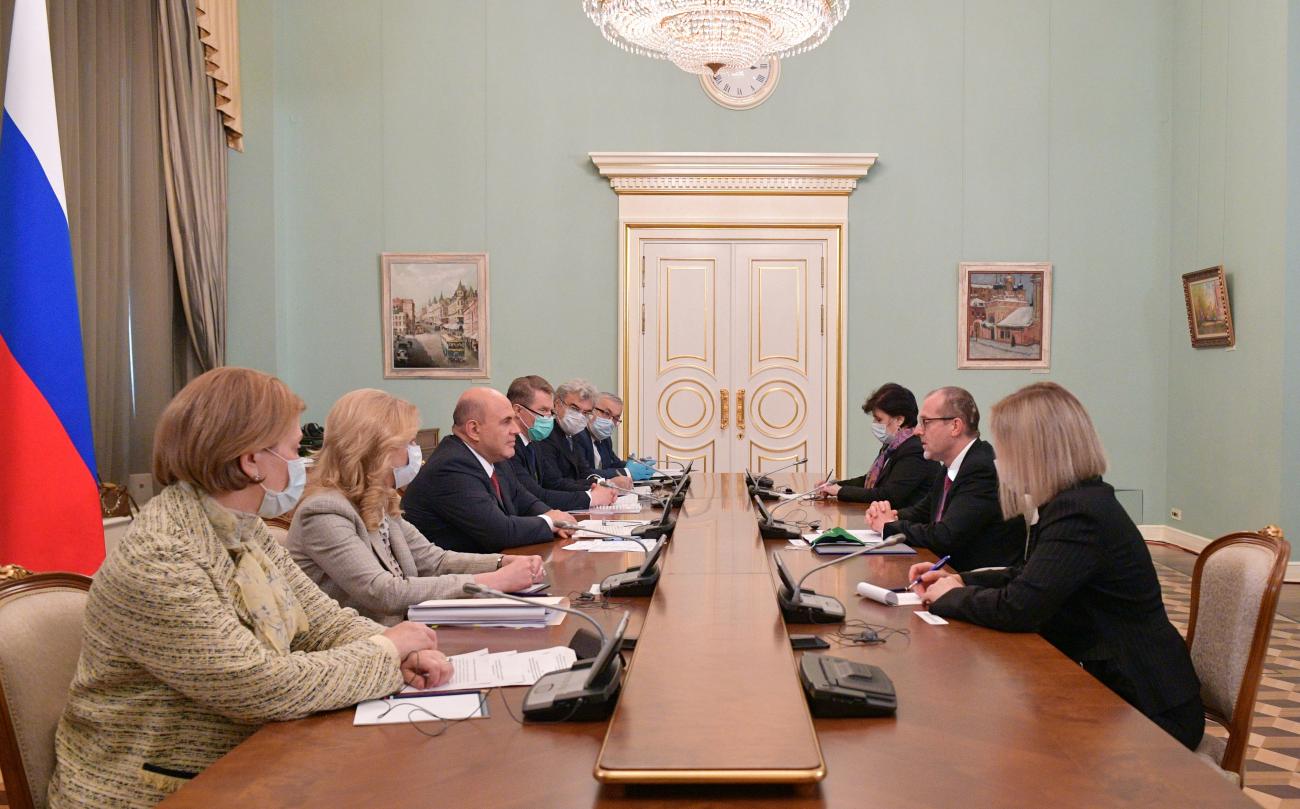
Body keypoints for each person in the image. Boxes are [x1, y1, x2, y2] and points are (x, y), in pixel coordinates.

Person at [47, 368, 453, 809]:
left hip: (254, 761)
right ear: (250, 461)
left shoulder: (243, 528)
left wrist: (403, 650)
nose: (304, 463)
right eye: (296, 449)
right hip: (159, 790)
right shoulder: (162, 555)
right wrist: (386, 653)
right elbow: (261, 687)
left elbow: (322, 622)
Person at [911, 382, 1203, 750]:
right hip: (1111, 687)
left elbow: (1021, 606)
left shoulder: (1079, 512)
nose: (999, 462)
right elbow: (1028, 575)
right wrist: (957, 579)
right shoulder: (1073, 500)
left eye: (1006, 449)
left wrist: (948, 598)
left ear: (1035, 452)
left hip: (1146, 708)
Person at [286, 389, 545, 626]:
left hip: (405, 637)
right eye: (409, 443)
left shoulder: (378, 500)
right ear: (376, 450)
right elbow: (384, 592)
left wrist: (501, 562)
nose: (415, 453)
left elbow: (435, 561)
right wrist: (491, 581)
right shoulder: (324, 511)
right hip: (362, 650)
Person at [866, 386, 1024, 571]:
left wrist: (890, 526)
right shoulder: (953, 464)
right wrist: (889, 515)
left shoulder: (981, 468)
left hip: (978, 583)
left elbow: (945, 536)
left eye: (926, 422)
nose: (917, 431)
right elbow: (922, 512)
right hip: (949, 573)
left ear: (955, 426)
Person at [401, 387, 575, 553]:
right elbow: (500, 532)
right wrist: (549, 522)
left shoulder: (492, 455)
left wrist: (553, 516)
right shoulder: (451, 467)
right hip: (456, 576)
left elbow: (523, 499)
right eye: (506, 421)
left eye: (514, 420)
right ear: (474, 429)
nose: (515, 429)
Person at [505, 375, 617, 512]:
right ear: (517, 410)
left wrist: (597, 488)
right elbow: (537, 494)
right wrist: (590, 497)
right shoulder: (509, 446)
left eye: (549, 411)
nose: (548, 418)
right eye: (543, 410)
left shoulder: (533, 441)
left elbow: (548, 485)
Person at [817, 383, 939, 509]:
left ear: (899, 420)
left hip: (907, 523)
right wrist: (834, 486)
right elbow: (870, 480)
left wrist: (840, 491)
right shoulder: (893, 445)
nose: (874, 424)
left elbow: (888, 495)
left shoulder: (914, 450)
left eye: (879, 419)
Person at [536, 378, 633, 492]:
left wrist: (604, 484)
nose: (580, 416)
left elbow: (582, 475)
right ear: (557, 404)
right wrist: (606, 484)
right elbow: (554, 484)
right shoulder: (546, 434)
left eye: (586, 412)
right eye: (574, 408)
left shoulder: (573, 436)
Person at [586, 392, 655, 481]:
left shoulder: (605, 439)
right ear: (591, 410)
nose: (610, 421)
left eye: (616, 418)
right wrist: (627, 472)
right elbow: (585, 473)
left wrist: (636, 465)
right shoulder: (578, 436)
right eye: (607, 413)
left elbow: (613, 464)